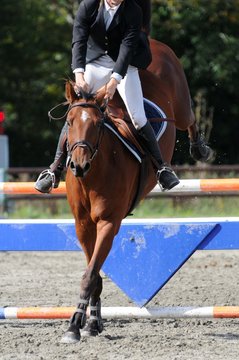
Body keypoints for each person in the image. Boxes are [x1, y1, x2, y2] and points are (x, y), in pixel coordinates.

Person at [35, 0, 179, 193]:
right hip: (95, 63)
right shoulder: (89, 6)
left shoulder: (133, 11)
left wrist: (113, 82)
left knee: (138, 116)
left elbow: (127, 49)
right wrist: (79, 74)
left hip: (125, 66)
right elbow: (79, 40)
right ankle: (54, 169)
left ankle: (161, 168)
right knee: (77, 110)